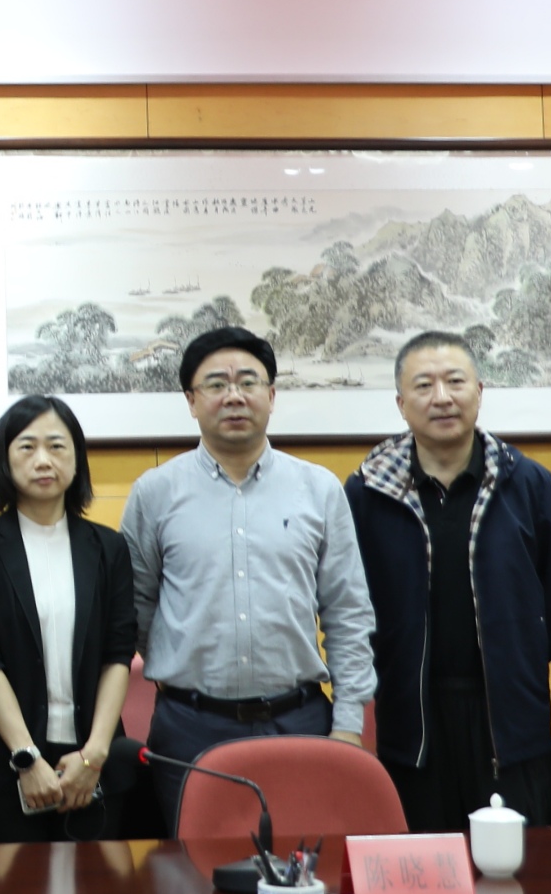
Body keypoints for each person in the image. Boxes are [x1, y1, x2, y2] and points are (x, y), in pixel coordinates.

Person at [120, 328, 374, 835]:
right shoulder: (155, 493)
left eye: (248, 382)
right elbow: (137, 608)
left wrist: (347, 725)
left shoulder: (318, 489)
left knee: (303, 863)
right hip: (190, 726)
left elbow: (348, 614)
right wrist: (183, 658)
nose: (233, 396)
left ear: (272, 395)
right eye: (216, 384)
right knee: (193, 867)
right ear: (191, 400)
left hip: (300, 720)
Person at [344, 331, 551, 831]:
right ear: (401, 404)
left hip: (510, 720)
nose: (442, 398)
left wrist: (520, 658)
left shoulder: (530, 484)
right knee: (421, 864)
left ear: (479, 391)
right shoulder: (368, 492)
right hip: (412, 722)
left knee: (518, 864)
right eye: (424, 385)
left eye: (455, 382)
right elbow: (349, 605)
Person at [0, 396, 136, 844]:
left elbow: (118, 655)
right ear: (5, 459)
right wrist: (26, 757)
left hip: (94, 762)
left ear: (77, 458)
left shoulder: (108, 547)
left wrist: (94, 756)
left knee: (98, 877)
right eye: (27, 447)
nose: (43, 460)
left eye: (57, 446)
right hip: (3, 766)